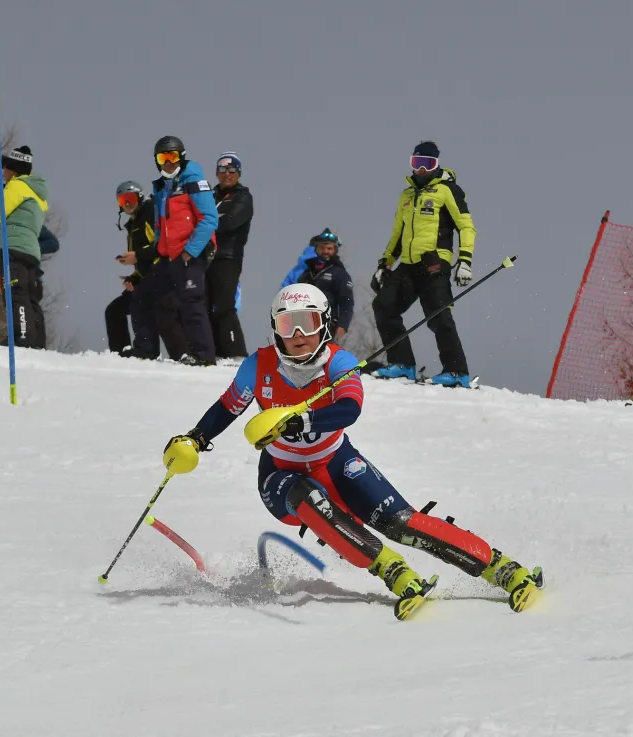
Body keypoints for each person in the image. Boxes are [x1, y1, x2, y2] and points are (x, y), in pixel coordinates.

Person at [162, 284, 543, 620]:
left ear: (324, 325)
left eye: (307, 323)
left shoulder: (338, 362)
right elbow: (229, 407)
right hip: (281, 472)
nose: (297, 335)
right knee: (305, 496)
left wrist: (302, 421)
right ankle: (391, 569)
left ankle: (500, 567)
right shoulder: (257, 366)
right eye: (286, 324)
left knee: (401, 522)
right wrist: (195, 438)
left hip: (337, 461)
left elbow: (350, 408)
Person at [370, 141, 477, 388]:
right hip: (408, 265)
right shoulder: (406, 195)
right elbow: (398, 234)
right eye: (416, 163)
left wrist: (465, 260)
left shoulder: (447, 190)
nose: (421, 169)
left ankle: (456, 372)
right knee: (384, 306)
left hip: (434, 262)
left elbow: (466, 226)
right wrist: (384, 263)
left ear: (436, 165)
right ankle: (403, 365)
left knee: (439, 316)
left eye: (427, 164)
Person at [150, 136, 218, 365]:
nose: (169, 162)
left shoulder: (193, 180)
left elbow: (209, 218)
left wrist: (190, 251)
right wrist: (160, 252)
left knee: (192, 304)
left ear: (182, 156)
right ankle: (182, 353)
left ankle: (204, 356)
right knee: (161, 301)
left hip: (190, 252)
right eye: (163, 157)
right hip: (171, 256)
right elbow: (161, 224)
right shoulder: (162, 187)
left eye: (173, 156)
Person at [106, 180, 188, 359]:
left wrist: (137, 256)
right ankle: (122, 353)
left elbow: (161, 246)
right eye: (122, 201)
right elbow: (144, 258)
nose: (127, 204)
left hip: (163, 274)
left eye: (130, 199)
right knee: (115, 310)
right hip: (147, 276)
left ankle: (152, 352)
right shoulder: (134, 224)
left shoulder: (150, 214)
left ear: (140, 197)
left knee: (147, 306)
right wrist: (134, 277)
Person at [0, 145, 49, 349]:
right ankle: (37, 340)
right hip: (30, 250)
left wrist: (0, 196)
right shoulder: (38, 194)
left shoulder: (16, 187)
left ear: (13, 170)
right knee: (31, 296)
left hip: (13, 246)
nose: (2, 172)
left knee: (15, 291)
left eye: (5, 168)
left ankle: (22, 337)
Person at [209, 152, 252, 358]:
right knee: (206, 304)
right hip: (207, 258)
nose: (227, 174)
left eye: (232, 170)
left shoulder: (243, 196)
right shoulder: (209, 196)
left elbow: (230, 222)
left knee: (225, 305)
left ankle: (237, 353)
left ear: (238, 173)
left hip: (228, 258)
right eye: (223, 170)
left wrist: (209, 222)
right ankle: (216, 351)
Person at [298, 228, 354, 341]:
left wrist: (343, 325)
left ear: (335, 250)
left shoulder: (339, 273)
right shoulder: (307, 273)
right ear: (316, 249)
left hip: (326, 323)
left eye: (329, 248)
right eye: (322, 248)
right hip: (302, 322)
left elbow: (346, 302)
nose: (325, 251)